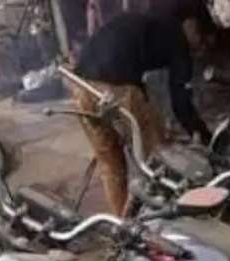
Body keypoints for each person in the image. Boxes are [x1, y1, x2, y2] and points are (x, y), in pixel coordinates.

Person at [73, 11, 211, 215]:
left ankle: (122, 223)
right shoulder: (177, 37)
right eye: (201, 41)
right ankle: (160, 219)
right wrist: (201, 132)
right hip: (116, 88)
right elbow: (180, 101)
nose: (198, 48)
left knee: (110, 164)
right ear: (192, 26)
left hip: (81, 86)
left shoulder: (151, 23)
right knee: (157, 157)